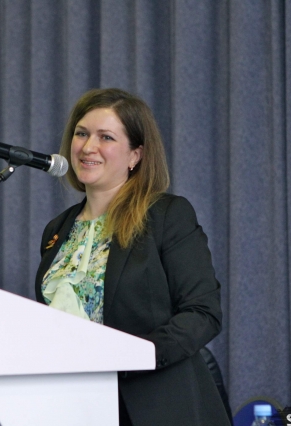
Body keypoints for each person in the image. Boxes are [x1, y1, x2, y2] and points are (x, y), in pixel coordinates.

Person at [35, 88, 231, 426]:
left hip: (154, 408)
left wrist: (129, 358)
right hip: (75, 407)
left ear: (135, 156)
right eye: (81, 134)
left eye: (106, 137)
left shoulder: (166, 215)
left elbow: (202, 313)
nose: (88, 147)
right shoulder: (57, 229)